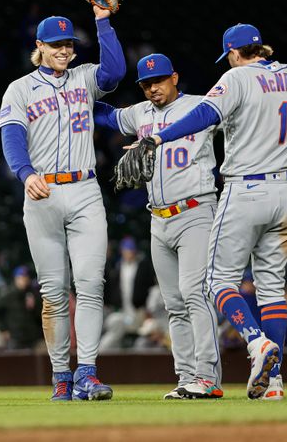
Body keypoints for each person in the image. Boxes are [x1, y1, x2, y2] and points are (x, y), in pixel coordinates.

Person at [145, 23, 287, 400]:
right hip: (284, 194)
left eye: (229, 57)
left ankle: (256, 342)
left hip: (244, 189)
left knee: (217, 282)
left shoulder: (236, 78)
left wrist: (160, 136)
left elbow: (204, 114)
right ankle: (274, 382)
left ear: (235, 54)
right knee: (272, 288)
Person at [0, 5, 126, 401]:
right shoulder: (19, 88)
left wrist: (103, 20)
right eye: (56, 44)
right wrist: (24, 172)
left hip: (85, 189)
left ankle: (87, 372)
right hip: (43, 193)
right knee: (54, 292)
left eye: (68, 44)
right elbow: (12, 136)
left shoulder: (85, 78)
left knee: (90, 284)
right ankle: (61, 377)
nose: (64, 50)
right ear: (39, 46)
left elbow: (116, 72)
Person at [94, 54, 223, 400]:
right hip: (158, 219)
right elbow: (106, 115)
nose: (153, 87)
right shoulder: (140, 113)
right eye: (147, 84)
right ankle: (186, 377)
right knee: (174, 304)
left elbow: (244, 117)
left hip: (196, 211)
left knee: (196, 295)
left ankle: (208, 376)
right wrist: (77, 99)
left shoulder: (202, 107)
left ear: (175, 77)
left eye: (159, 80)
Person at [0, 266, 43, 349]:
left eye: (26, 277)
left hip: (33, 337)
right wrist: (3, 329)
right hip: (15, 337)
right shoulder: (7, 293)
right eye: (21, 277)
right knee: (15, 360)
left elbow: (40, 314)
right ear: (15, 278)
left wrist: (34, 306)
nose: (24, 280)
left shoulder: (33, 293)